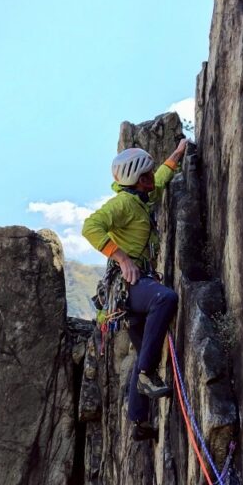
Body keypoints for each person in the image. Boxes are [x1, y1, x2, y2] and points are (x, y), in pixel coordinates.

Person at [82, 138, 188, 441]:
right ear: (138, 179)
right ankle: (144, 378)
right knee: (165, 298)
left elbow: (162, 179)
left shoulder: (142, 198)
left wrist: (177, 155)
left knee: (146, 353)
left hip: (132, 290)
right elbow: (90, 226)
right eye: (148, 173)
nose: (152, 176)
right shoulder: (125, 203)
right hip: (129, 286)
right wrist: (122, 256)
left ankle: (139, 423)